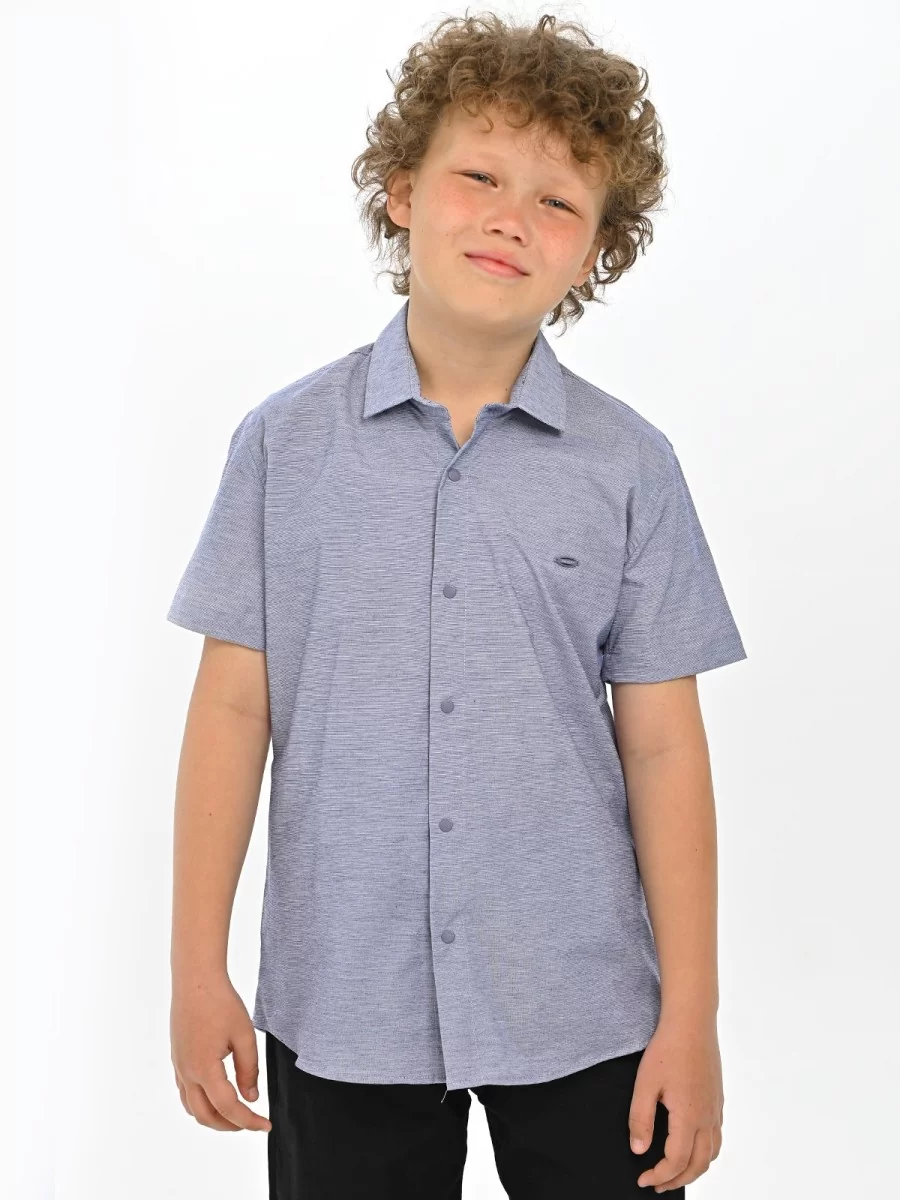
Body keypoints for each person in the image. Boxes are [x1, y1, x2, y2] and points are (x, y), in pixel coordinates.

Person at [166, 12, 748, 1198]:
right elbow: (232, 711)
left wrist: (691, 1018)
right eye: (478, 176)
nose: (509, 217)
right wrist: (194, 969)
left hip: (583, 999)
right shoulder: (282, 447)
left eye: (557, 201)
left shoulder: (631, 468)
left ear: (595, 253)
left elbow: (664, 747)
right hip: (342, 995)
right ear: (400, 192)